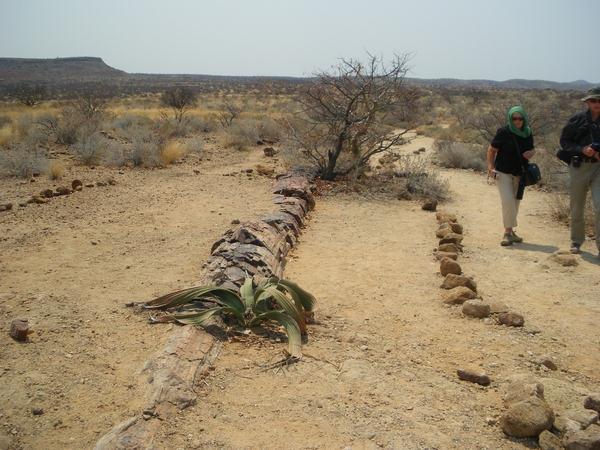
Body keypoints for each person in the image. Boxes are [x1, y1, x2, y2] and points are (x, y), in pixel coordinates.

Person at [559, 86, 600, 256]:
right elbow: (564, 141)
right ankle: (576, 241)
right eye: (593, 100)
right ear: (587, 102)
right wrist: (582, 149)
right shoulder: (577, 119)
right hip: (579, 167)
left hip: (599, 167)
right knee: (577, 205)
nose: (597, 103)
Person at [487, 106, 536, 246]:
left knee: (515, 202)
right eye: (514, 118)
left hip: (520, 173)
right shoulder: (503, 132)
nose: (517, 121)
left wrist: (532, 152)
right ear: (510, 118)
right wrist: (491, 169)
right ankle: (507, 233)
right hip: (503, 172)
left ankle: (511, 232)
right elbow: (491, 150)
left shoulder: (527, 132)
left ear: (524, 119)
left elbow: (532, 148)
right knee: (507, 200)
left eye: (520, 118)